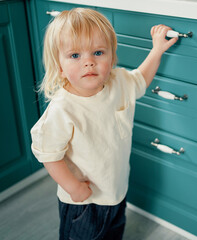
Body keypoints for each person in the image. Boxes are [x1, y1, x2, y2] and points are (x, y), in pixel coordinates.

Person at [30, 7, 178, 240]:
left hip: (116, 192)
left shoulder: (119, 82)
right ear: (59, 66)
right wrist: (74, 187)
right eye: (75, 56)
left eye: (98, 52)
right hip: (85, 202)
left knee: (113, 234)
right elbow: (49, 155)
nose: (88, 62)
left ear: (112, 56)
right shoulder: (62, 108)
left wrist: (157, 49)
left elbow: (140, 79)